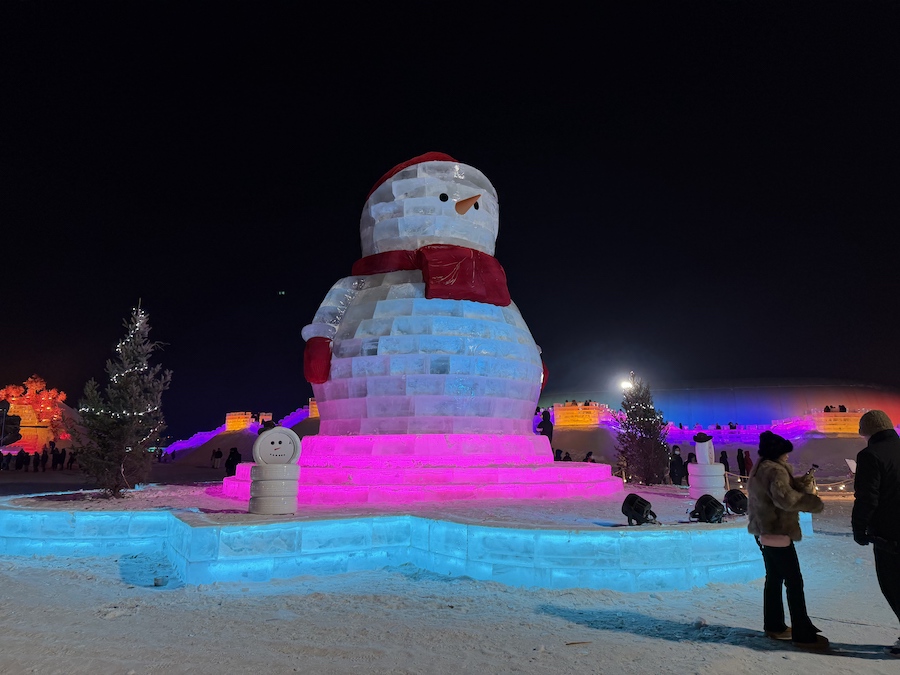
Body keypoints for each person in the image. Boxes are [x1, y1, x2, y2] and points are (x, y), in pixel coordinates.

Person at [747, 430, 828, 649]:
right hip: (778, 530)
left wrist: (799, 483)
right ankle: (803, 634)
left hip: (765, 530)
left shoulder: (761, 467)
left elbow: (777, 492)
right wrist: (812, 502)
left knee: (774, 579)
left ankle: (774, 625)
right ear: (777, 453)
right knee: (794, 581)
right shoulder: (775, 470)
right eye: (785, 452)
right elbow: (785, 499)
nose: (787, 456)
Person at [851, 410, 900, 657]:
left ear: (867, 431)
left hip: (890, 534)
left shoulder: (870, 455)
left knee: (893, 585)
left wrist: (859, 528)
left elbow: (867, 497)